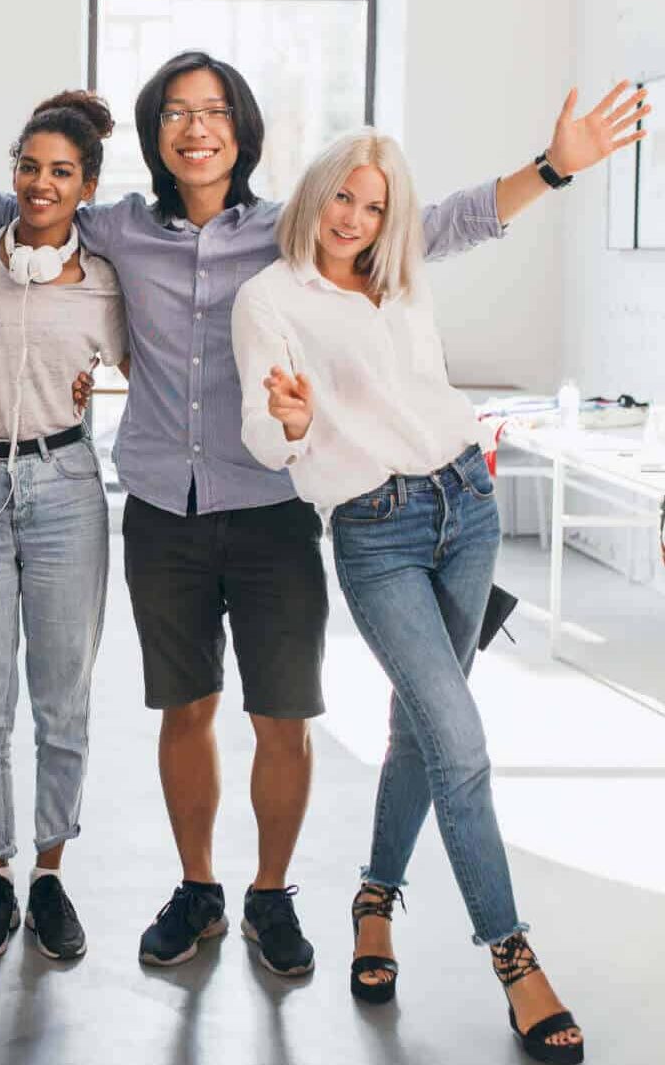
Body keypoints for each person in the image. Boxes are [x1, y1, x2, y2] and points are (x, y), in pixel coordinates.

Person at [0, 51, 645, 975]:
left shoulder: (290, 232)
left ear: (243, 129)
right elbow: (9, 202)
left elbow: (432, 228)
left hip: (273, 510)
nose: (197, 127)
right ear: (154, 134)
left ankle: (271, 894)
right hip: (161, 510)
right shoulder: (114, 228)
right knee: (185, 711)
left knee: (283, 716)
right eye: (178, 112)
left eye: (215, 110)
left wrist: (550, 169)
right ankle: (199, 890)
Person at [230, 126, 634, 1062]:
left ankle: (374, 902)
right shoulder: (270, 298)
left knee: (421, 727)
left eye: (375, 207)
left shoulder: (402, 272)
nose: (356, 219)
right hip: (376, 531)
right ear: (315, 192)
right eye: (344, 198)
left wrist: (555, 163)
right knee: (457, 738)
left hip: (467, 506)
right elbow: (264, 424)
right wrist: (287, 422)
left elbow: (473, 216)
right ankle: (513, 955)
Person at [0, 92, 126, 962]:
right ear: (10, 171)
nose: (40, 184)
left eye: (60, 172)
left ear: (86, 186)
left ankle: (49, 874)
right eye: (29, 167)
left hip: (67, 487)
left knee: (62, 698)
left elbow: (156, 369)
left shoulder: (105, 283)